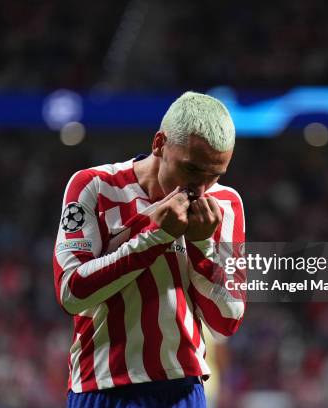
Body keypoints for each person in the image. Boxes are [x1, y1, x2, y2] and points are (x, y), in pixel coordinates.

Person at [53, 91, 246, 407]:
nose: (202, 189)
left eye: (215, 175)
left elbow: (228, 320)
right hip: (102, 386)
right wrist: (155, 237)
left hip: (181, 389)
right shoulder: (94, 186)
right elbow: (71, 294)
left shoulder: (226, 204)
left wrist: (200, 245)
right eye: (192, 170)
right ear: (159, 144)